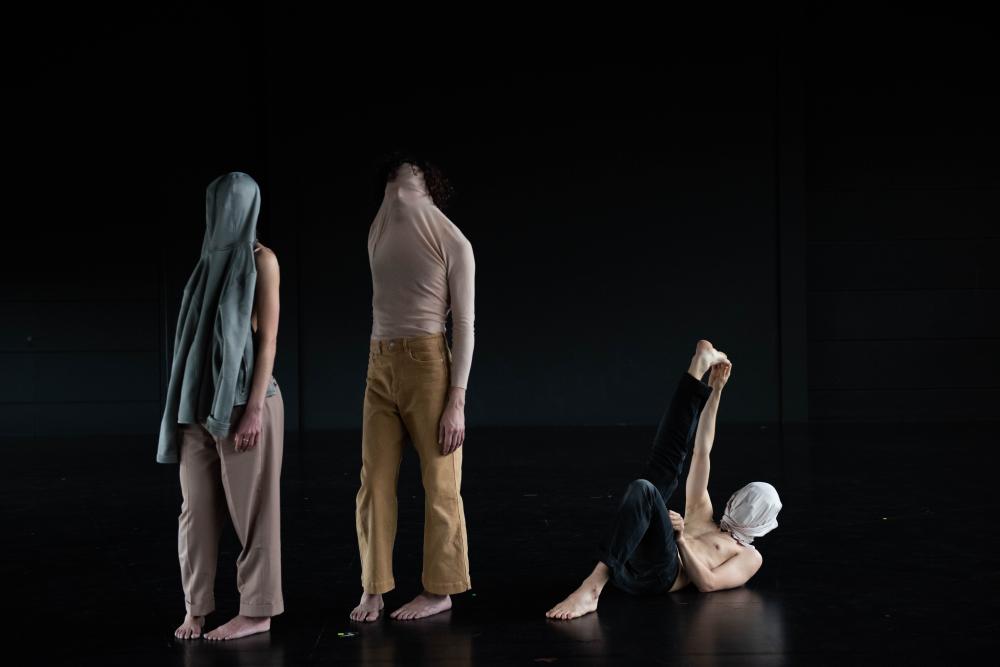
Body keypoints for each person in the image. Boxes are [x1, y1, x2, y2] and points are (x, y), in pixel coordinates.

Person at [546, 340, 782, 620]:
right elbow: (702, 450)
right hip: (627, 562)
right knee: (663, 468)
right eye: (745, 498)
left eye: (754, 506)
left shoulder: (750, 556)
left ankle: (592, 587)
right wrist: (716, 390)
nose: (744, 505)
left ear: (762, 523)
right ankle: (697, 369)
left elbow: (707, 583)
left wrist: (680, 539)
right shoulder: (702, 511)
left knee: (646, 489)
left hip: (658, 577)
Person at [157, 172, 285, 640]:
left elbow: (268, 340)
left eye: (233, 203)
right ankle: (196, 608)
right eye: (217, 203)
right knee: (195, 513)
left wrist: (253, 409)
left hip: (245, 402)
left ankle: (257, 611)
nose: (223, 212)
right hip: (197, 406)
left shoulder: (262, 260)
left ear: (250, 207)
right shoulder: (206, 261)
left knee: (255, 514)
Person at [350, 155, 476, 622]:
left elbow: (465, 325)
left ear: (428, 185)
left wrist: (456, 401)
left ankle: (441, 590)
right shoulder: (378, 228)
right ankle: (373, 587)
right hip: (379, 361)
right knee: (374, 483)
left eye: (408, 180)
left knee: (441, 483)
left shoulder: (453, 240)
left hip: (428, 366)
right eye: (392, 182)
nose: (398, 190)